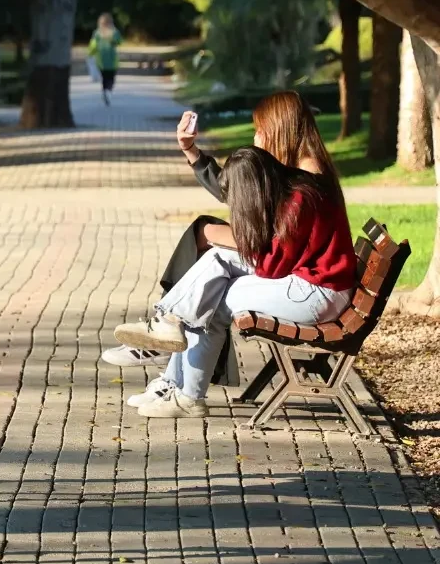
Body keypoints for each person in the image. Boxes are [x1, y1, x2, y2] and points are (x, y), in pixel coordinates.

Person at [101, 90, 342, 381]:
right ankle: (168, 331)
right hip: (306, 279)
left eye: (259, 132)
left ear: (280, 130)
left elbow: (274, 259)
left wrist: (222, 236)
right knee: (204, 240)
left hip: (311, 289)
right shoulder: (298, 173)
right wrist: (192, 151)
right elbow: (243, 198)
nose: (256, 140)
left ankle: (169, 334)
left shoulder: (305, 186)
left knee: (209, 279)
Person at [113, 145, 357, 418]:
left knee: (211, 299)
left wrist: (226, 235)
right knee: (216, 260)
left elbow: (271, 267)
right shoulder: (293, 188)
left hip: (316, 294)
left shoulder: (298, 203)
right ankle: (168, 326)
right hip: (314, 285)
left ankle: (187, 396)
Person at [88, 13, 123, 106]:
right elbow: (120, 42)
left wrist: (90, 54)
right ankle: (108, 90)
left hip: (101, 60)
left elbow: (93, 45)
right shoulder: (114, 32)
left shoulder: (97, 33)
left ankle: (104, 91)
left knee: (104, 77)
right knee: (111, 77)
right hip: (112, 60)